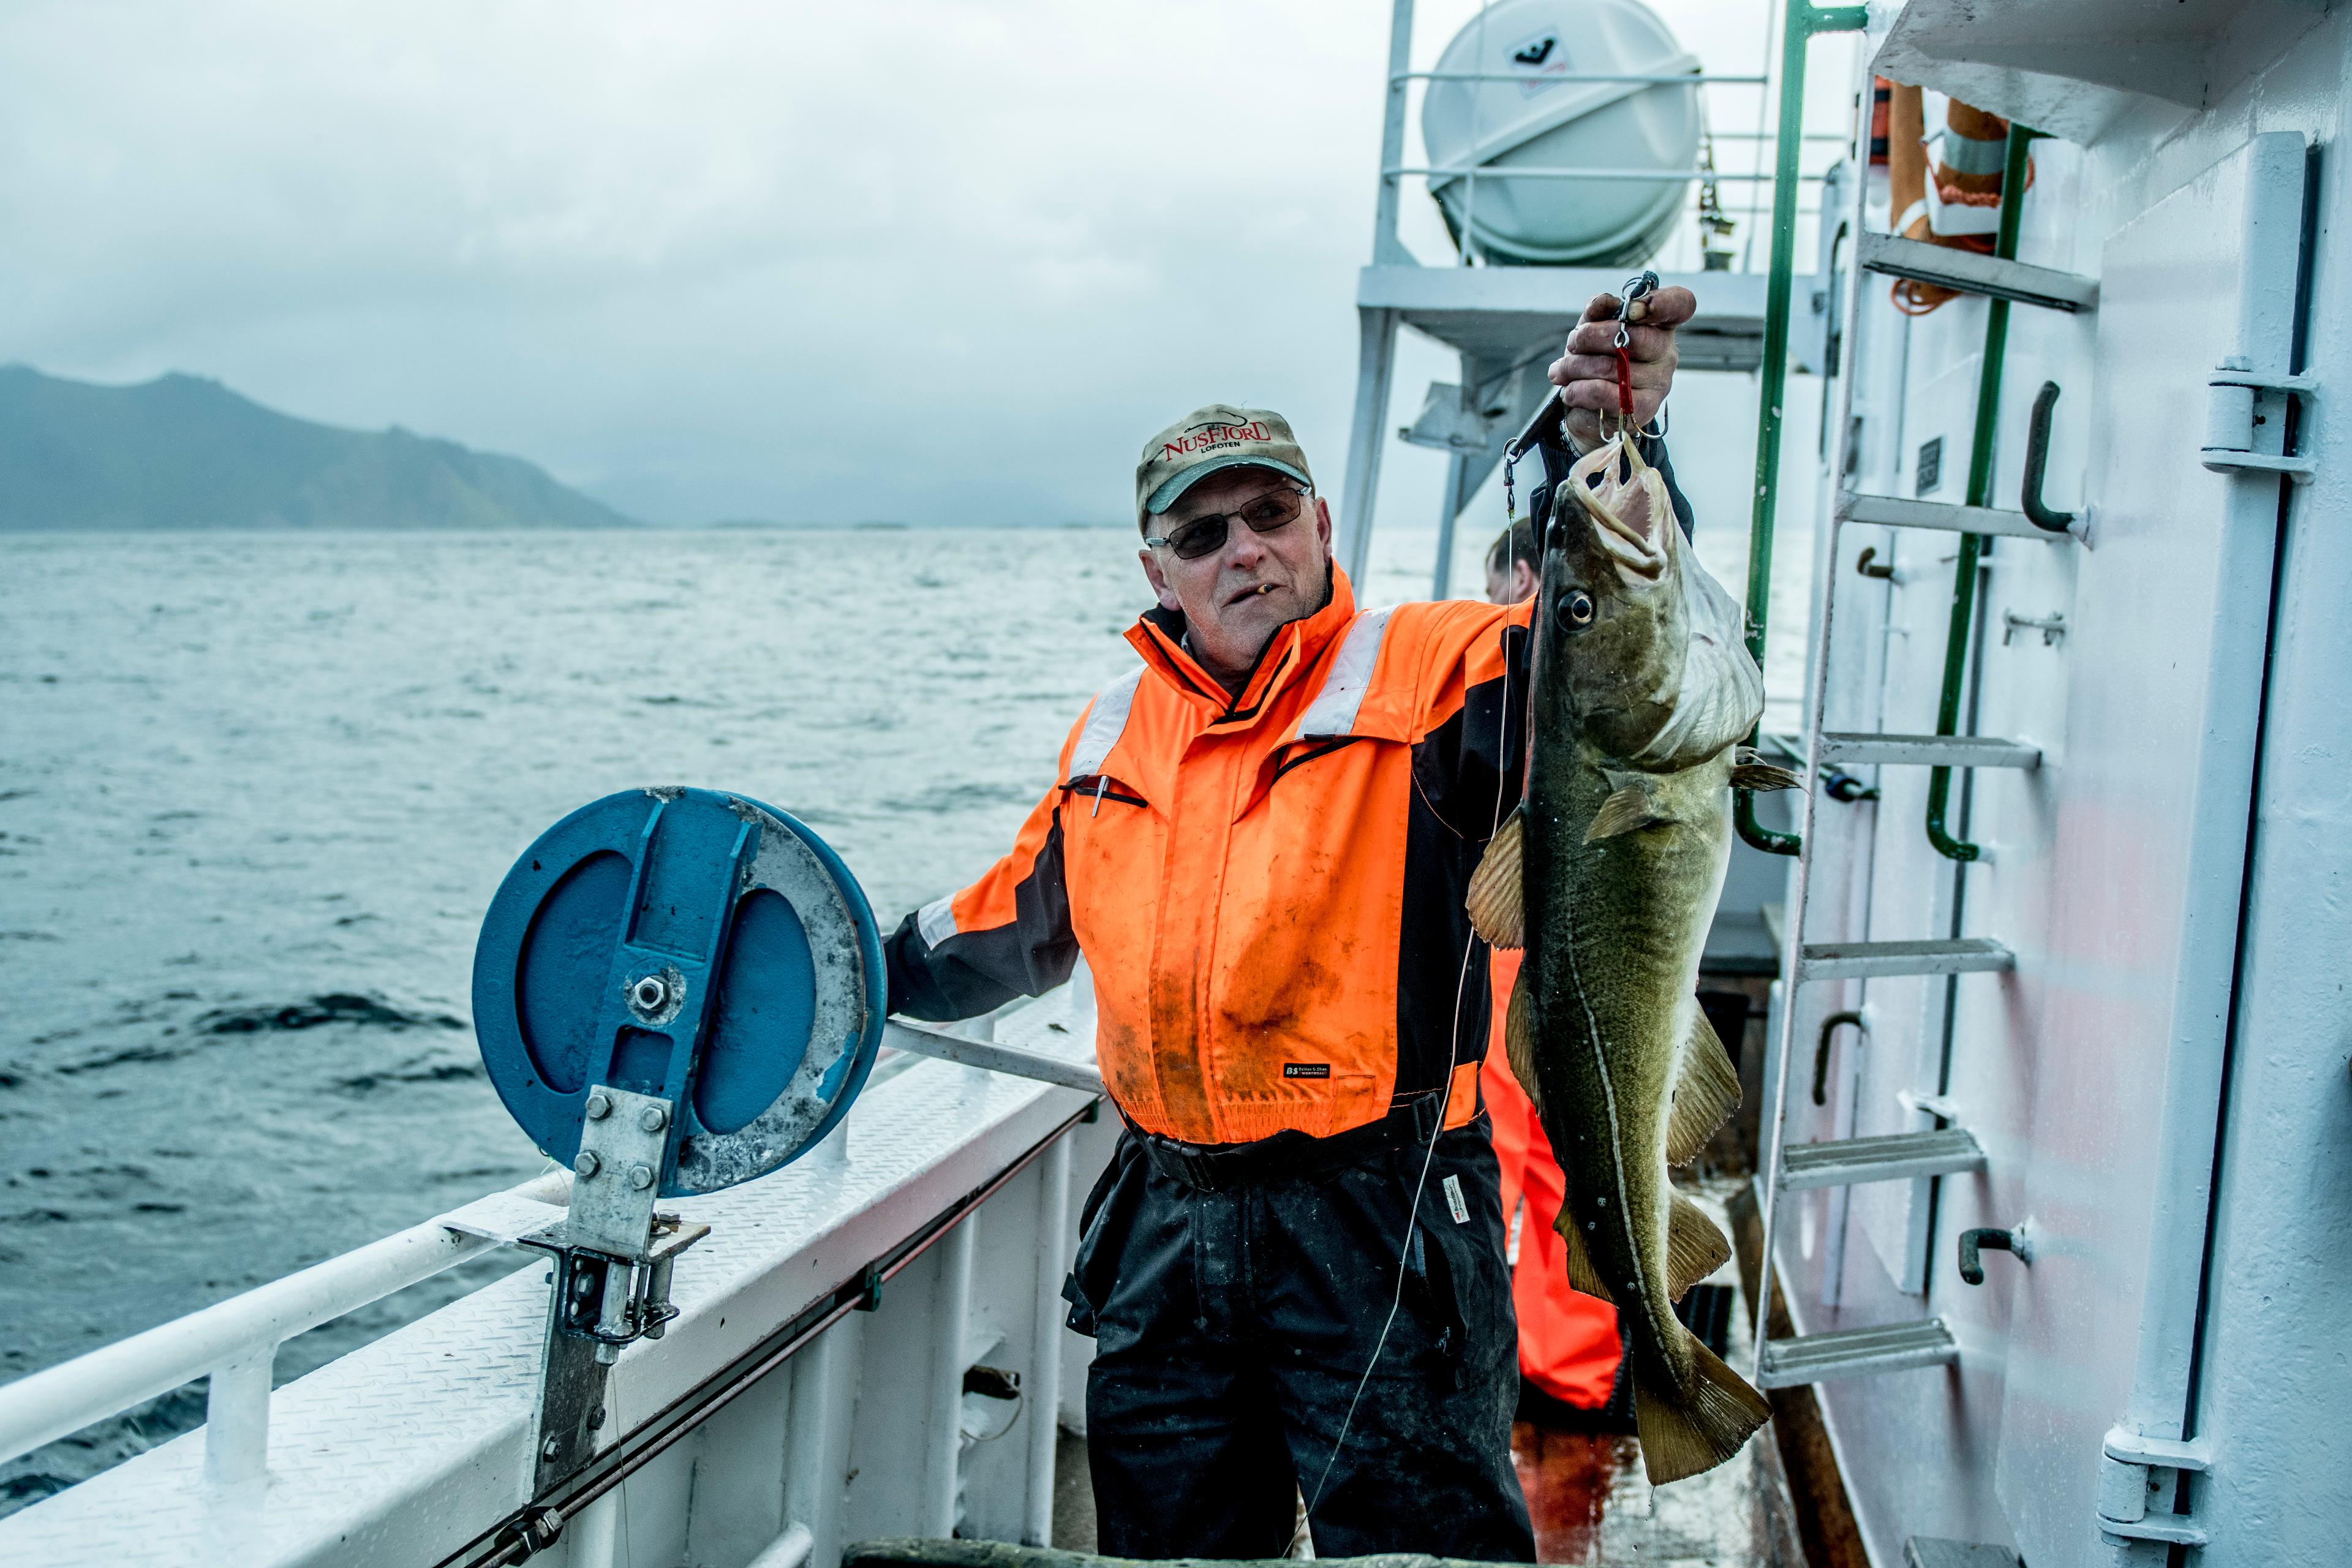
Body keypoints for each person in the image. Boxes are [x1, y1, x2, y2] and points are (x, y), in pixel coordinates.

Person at [885, 288, 1698, 1560]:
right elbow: (1004, 924)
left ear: (1321, 523)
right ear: (1155, 569)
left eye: (1269, 515)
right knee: (1176, 1547)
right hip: (1165, 1223)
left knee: (1421, 1549)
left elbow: (1612, 660)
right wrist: (830, 964)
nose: (1243, 550)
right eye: (1202, 533)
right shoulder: (1109, 729)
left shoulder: (1441, 665)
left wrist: (1604, 439)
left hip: (1383, 1212)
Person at [1478, 518, 1630, 1424]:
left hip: (1526, 947)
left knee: (1513, 1152)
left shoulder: (1528, 672)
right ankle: (1568, 1368)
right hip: (1567, 942)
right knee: (1566, 1162)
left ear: (1527, 580)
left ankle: (1532, 1364)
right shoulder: (1598, 683)